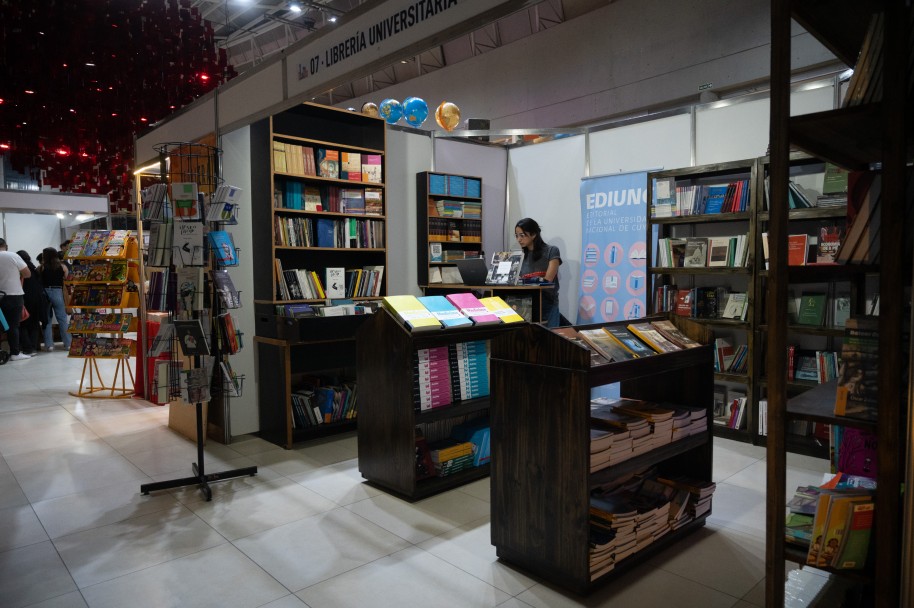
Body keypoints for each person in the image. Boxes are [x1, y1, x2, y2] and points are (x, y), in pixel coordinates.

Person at [514, 217, 562, 327]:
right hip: (525, 305)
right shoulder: (520, 256)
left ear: (534, 234)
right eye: (516, 236)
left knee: (550, 340)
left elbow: (548, 280)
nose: (519, 239)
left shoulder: (552, 251)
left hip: (547, 303)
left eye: (522, 235)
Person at [0, 238, 32, 360]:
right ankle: (15, 353)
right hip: (14, 295)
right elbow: (27, 274)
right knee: (13, 325)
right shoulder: (12, 255)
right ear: (5, 246)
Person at [39, 247, 71, 352]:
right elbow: (67, 278)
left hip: (45, 293)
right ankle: (68, 344)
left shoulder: (41, 267)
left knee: (47, 320)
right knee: (62, 319)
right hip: (58, 292)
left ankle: (49, 345)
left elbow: (37, 279)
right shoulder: (62, 266)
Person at [17, 250, 48, 355]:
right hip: (37, 299)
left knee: (23, 323)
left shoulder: (21, 270)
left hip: (25, 299)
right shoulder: (34, 268)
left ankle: (27, 348)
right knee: (34, 324)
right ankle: (34, 347)